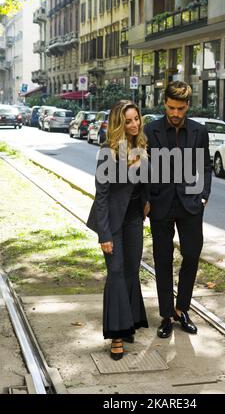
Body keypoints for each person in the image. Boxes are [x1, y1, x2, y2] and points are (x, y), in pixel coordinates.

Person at [144, 81, 212, 338]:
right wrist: (146, 200)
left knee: (192, 255)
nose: (175, 113)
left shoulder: (199, 131)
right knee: (162, 260)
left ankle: (182, 309)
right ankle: (165, 314)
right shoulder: (151, 131)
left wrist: (204, 196)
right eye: (171, 108)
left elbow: (205, 166)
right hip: (160, 205)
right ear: (164, 104)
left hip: (191, 204)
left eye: (180, 109)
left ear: (187, 107)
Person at [87, 100, 150, 360]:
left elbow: (145, 182)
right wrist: (104, 235)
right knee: (115, 272)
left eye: (136, 119)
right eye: (128, 121)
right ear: (118, 124)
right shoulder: (107, 151)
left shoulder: (141, 146)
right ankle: (116, 335)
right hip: (112, 222)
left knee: (131, 271)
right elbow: (101, 196)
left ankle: (129, 324)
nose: (134, 124)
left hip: (134, 218)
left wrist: (147, 202)